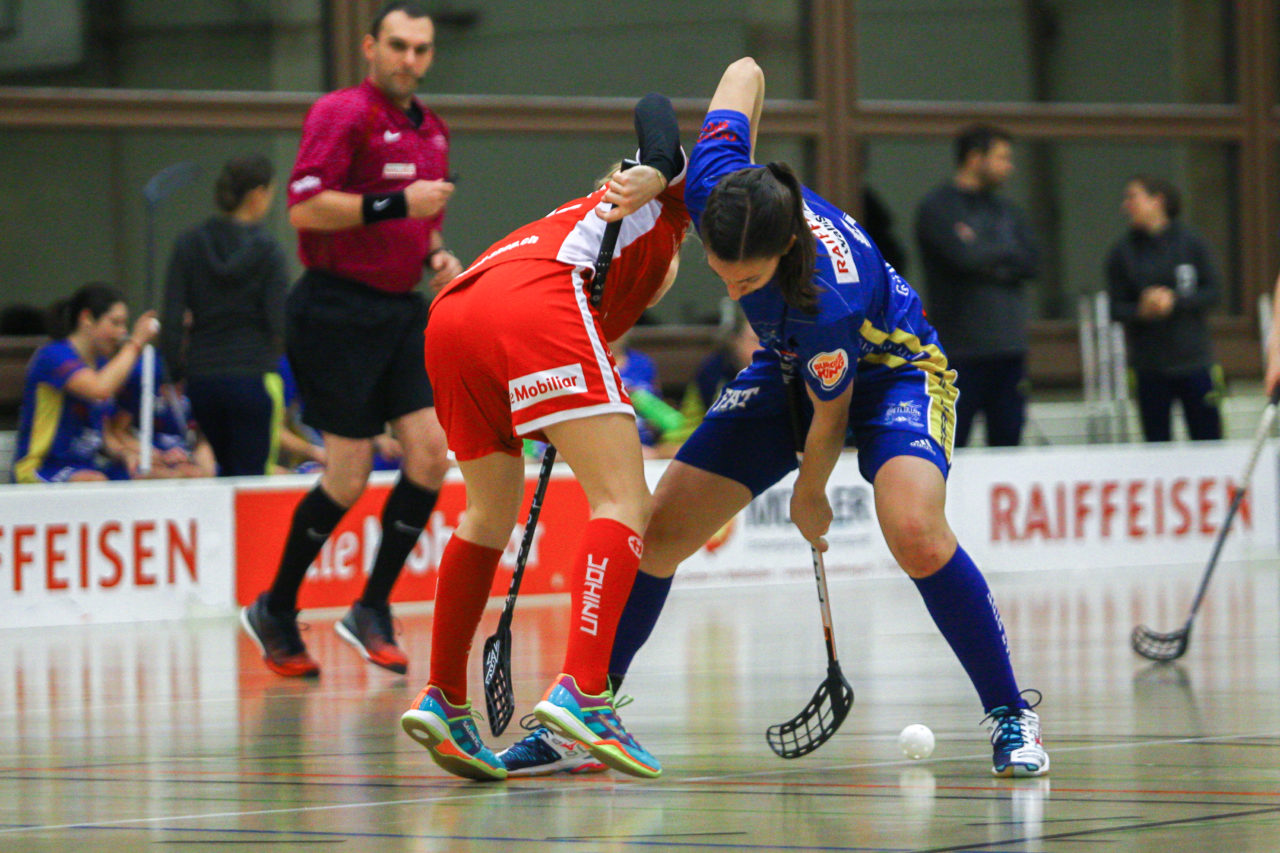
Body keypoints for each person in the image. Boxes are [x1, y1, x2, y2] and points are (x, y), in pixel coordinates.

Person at [518, 58, 1047, 779]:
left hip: (894, 372)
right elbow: (746, 69)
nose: (731, 287)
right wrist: (672, 174)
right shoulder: (716, 184)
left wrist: (809, 494)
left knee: (915, 530)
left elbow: (827, 420)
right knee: (658, 533)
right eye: (721, 270)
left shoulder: (825, 295)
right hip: (789, 361)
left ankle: (1011, 713)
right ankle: (586, 712)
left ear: (787, 251)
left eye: (748, 280)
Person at [398, 92, 689, 782]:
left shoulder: (594, 260)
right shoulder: (659, 207)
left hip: (456, 316)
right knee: (624, 500)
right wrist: (658, 166)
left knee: (487, 513)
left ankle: (444, 696)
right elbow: (655, 108)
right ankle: (587, 688)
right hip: (533, 304)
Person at [240, 1, 461, 679]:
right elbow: (305, 205)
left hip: (400, 311)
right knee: (349, 473)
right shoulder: (342, 113)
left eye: (421, 49)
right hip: (334, 309)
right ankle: (275, 607)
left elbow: (423, 225)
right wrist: (399, 205)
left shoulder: (433, 132)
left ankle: (371, 606)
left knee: (429, 456)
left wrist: (435, 259)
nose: (410, 60)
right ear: (370, 47)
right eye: (398, 45)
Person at [161, 154, 288, 477]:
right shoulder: (270, 251)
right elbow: (279, 321)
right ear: (258, 194)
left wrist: (176, 371)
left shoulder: (188, 244)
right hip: (251, 374)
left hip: (203, 378)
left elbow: (172, 315)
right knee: (253, 478)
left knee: (227, 473)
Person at [915, 124, 1039, 447]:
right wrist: (1001, 256)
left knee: (1008, 444)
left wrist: (982, 251)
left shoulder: (1007, 211)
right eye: (1002, 158)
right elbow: (962, 259)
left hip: (1009, 348)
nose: (1009, 167)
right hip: (959, 352)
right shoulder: (938, 208)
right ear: (974, 157)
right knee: (949, 446)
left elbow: (1031, 262)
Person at [1106, 175, 1222, 442]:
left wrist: (1175, 301)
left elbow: (1213, 292)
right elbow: (1115, 309)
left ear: (1157, 201)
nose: (1126, 206)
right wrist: (1141, 310)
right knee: (1156, 443)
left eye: (1133, 197)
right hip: (1149, 365)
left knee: (1208, 439)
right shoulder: (1122, 252)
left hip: (1194, 360)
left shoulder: (1192, 243)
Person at [12, 284, 159, 483]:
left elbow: (103, 435)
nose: (122, 332)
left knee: (147, 475)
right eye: (115, 323)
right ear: (87, 318)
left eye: (125, 325)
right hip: (42, 467)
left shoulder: (103, 365)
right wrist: (136, 342)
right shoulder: (53, 355)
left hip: (87, 466)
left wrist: (126, 455)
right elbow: (98, 389)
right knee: (94, 481)